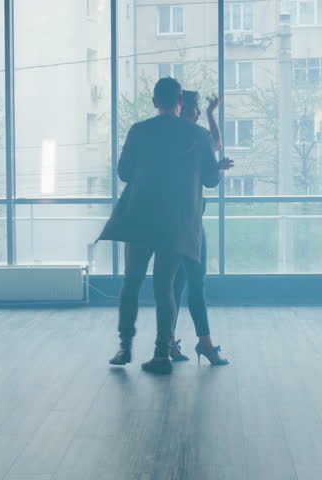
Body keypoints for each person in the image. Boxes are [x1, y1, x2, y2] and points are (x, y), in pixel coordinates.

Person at [99, 77, 220, 374]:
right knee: (164, 288)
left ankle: (125, 347)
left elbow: (124, 173)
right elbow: (211, 180)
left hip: (141, 219)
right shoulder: (198, 135)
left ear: (154, 101)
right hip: (176, 224)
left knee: (131, 283)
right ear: (180, 101)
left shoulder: (139, 131)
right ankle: (161, 354)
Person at [169, 90, 231, 366]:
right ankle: (205, 344)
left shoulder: (168, 138)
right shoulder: (197, 137)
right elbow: (211, 170)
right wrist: (217, 168)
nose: (195, 113)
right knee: (195, 283)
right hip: (190, 223)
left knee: (176, 283)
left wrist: (209, 114)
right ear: (187, 110)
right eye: (196, 108)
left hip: (168, 221)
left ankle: (169, 341)